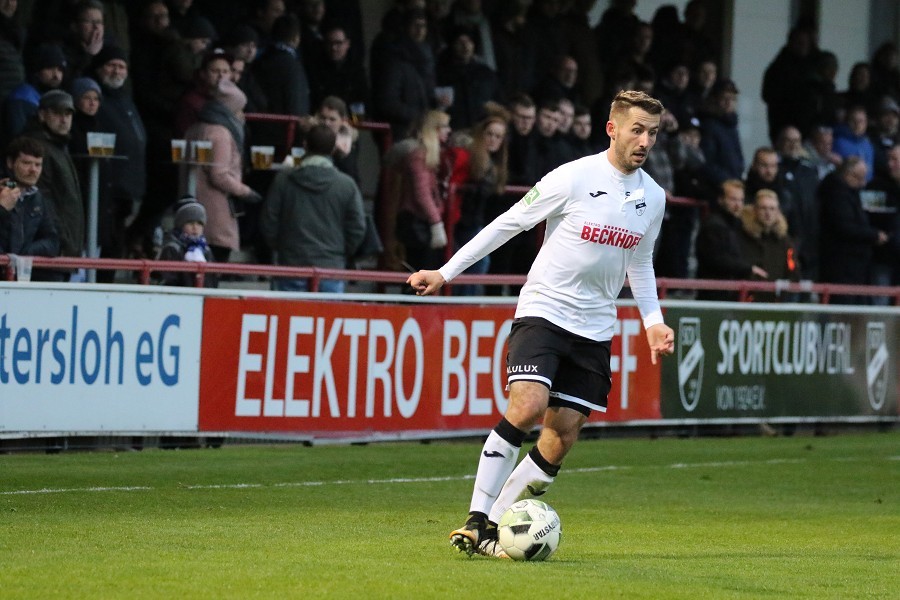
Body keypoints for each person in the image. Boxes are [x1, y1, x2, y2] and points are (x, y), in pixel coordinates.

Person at [406, 90, 675, 559]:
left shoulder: (653, 197)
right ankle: (476, 518)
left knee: (562, 434)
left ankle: (492, 527)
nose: (645, 141)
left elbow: (640, 261)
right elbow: (508, 223)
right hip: (546, 309)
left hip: (595, 327)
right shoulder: (572, 177)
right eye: (637, 130)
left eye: (652, 133)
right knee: (528, 404)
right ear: (611, 129)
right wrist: (445, 272)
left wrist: (653, 320)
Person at [260, 124, 366, 293]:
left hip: (291, 265)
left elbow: (269, 221)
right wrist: (339, 251)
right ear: (333, 148)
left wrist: (283, 248)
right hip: (331, 267)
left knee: (289, 311)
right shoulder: (347, 185)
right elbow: (357, 227)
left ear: (305, 145)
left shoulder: (283, 180)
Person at [181, 78, 260, 263]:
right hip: (216, 212)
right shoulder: (221, 133)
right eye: (239, 109)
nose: (242, 115)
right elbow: (219, 175)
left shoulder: (194, 128)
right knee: (215, 262)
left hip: (192, 204)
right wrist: (246, 192)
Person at [21, 89, 84, 270]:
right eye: (57, 113)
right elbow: (43, 200)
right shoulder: (37, 148)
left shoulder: (58, 147)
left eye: (68, 114)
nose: (64, 120)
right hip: (50, 252)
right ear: (42, 115)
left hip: (59, 249)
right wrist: (61, 241)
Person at [818, 156, 889, 303]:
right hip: (842, 264)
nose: (863, 183)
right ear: (848, 175)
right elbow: (844, 227)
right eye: (859, 178)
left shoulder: (849, 193)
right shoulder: (837, 194)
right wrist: (873, 235)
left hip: (855, 264)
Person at [695, 179, 766, 301]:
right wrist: (747, 268)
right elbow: (717, 259)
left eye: (741, 200)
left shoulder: (737, 225)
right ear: (721, 199)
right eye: (733, 199)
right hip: (714, 293)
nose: (738, 205)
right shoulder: (714, 226)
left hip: (729, 292)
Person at [0, 136, 60, 268]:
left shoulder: (38, 198)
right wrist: (2, 208)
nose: (33, 170)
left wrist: (22, 255)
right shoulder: (2, 190)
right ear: (10, 163)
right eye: (26, 163)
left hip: (21, 274)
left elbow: (53, 242)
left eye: (38, 165)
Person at [738, 189, 800, 302]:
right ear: (755, 210)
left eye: (772, 209)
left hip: (775, 301)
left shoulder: (784, 241)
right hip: (746, 299)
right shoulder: (743, 236)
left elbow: (793, 269)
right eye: (763, 208)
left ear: (778, 211)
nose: (768, 213)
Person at [155, 195, 215, 287]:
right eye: (190, 223)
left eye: (199, 223)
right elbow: (168, 279)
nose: (195, 227)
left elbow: (212, 279)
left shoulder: (206, 249)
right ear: (181, 225)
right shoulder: (172, 248)